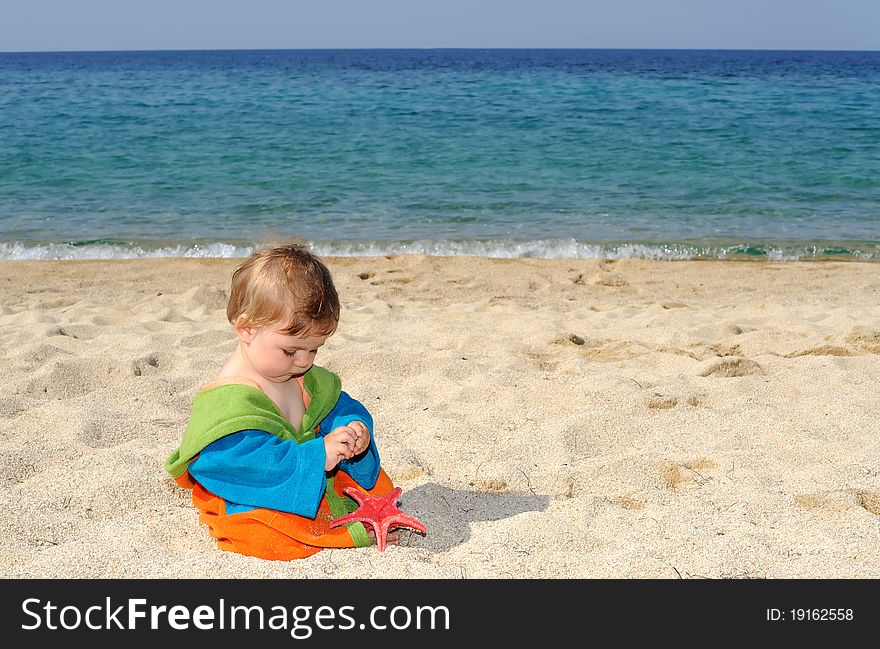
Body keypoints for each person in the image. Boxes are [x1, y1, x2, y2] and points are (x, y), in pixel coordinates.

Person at [165, 242, 396, 560]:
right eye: (291, 351)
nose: (303, 361)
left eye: (314, 349)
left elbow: (336, 404)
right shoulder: (229, 401)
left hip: (305, 471)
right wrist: (317, 456)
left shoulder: (302, 376)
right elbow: (241, 464)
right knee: (262, 530)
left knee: (377, 487)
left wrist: (351, 428)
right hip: (253, 485)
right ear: (247, 329)